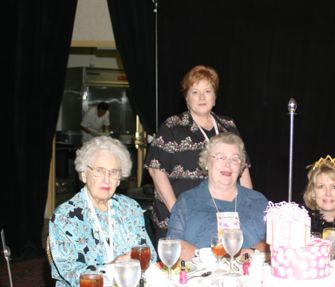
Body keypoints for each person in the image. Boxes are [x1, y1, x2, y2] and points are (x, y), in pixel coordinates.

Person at [144, 65, 253, 240]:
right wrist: (179, 213)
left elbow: (243, 168)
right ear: (187, 98)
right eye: (195, 92)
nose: (202, 97)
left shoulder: (228, 126)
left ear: (215, 97)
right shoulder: (172, 126)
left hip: (223, 218)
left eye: (207, 91)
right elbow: (156, 170)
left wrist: (250, 208)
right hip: (180, 218)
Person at [49, 136, 156, 286]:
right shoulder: (65, 216)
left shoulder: (130, 208)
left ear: (119, 179)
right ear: (84, 174)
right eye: (99, 171)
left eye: (113, 172)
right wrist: (112, 268)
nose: (107, 179)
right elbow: (70, 272)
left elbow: (149, 256)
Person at [167, 132, 268, 261]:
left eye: (235, 159)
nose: (228, 164)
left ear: (241, 166)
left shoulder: (258, 201)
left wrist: (252, 252)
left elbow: (273, 242)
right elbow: (172, 244)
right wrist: (209, 259)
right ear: (207, 162)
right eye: (221, 157)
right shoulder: (187, 201)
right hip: (202, 276)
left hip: (249, 275)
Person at [303, 155, 335, 235]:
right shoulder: (302, 223)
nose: (328, 193)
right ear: (312, 192)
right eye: (321, 187)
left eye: (334, 187)